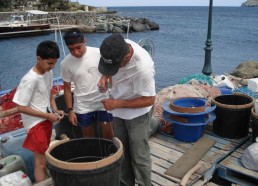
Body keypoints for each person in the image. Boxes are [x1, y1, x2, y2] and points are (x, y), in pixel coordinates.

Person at [98, 34, 156, 186]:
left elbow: (149, 100)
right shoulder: (115, 46)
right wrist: (104, 76)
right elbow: (108, 66)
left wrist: (117, 103)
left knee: (139, 155)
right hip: (117, 108)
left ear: (128, 55)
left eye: (115, 66)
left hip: (139, 112)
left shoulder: (143, 67)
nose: (112, 70)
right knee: (121, 151)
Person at [13, 40, 64, 183]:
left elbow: (49, 94)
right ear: (38, 59)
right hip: (36, 124)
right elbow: (20, 107)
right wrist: (47, 115)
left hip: (46, 119)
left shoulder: (48, 72)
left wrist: (55, 110)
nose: (52, 66)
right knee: (40, 163)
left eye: (54, 63)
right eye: (49, 63)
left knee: (42, 159)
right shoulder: (30, 79)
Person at [61, 28, 113, 139]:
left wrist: (109, 85)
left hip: (103, 101)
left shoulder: (98, 53)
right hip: (82, 105)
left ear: (84, 41)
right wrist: (70, 111)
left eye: (78, 47)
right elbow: (66, 89)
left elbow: (110, 71)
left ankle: (110, 155)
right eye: (71, 49)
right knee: (88, 137)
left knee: (108, 134)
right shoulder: (65, 63)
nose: (75, 52)